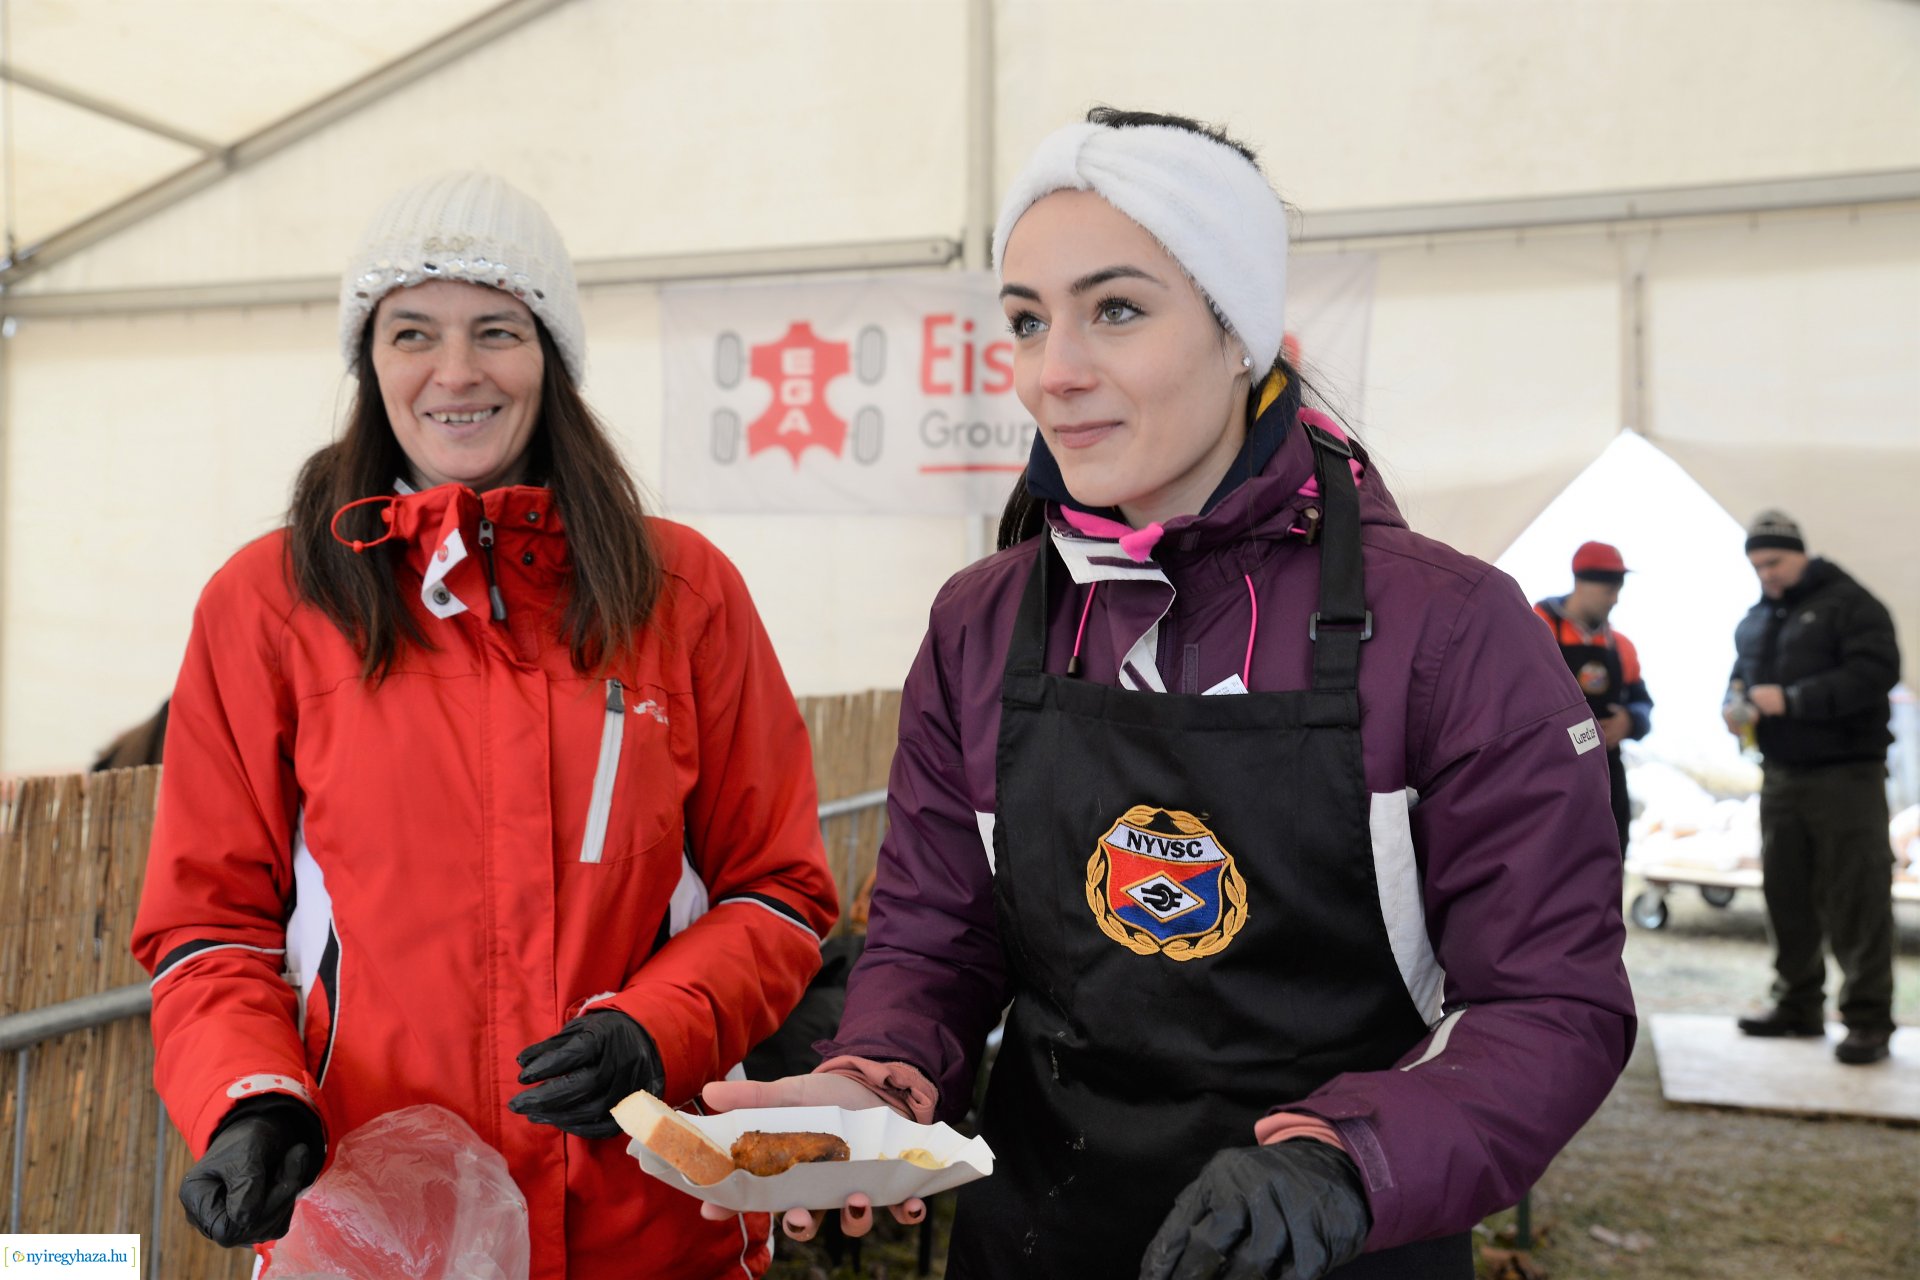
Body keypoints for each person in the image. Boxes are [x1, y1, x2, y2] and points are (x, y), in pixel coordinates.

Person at [705, 110, 1635, 1280]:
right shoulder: (982, 624)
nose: (1056, 371)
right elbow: (935, 941)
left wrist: (1349, 1159)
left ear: (1241, 332)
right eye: (1028, 320)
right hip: (1045, 1233)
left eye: (1118, 309)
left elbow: (1550, 1001)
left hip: (1336, 1244)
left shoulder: (1448, 633)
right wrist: (870, 1076)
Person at [131, 173, 838, 1279]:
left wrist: (659, 1026)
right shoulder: (270, 603)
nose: (454, 373)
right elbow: (205, 925)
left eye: (497, 331)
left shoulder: (682, 592)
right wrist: (252, 1096)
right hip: (379, 1231)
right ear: (371, 361)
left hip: (652, 1230)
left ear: (550, 356)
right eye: (412, 332)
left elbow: (781, 891)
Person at [1727, 509, 1900, 1066]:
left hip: (1846, 774)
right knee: (1787, 893)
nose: (1766, 574)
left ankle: (1868, 1019)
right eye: (1757, 566)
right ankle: (1797, 1005)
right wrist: (1733, 704)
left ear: (1800, 551)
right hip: (1780, 774)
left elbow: (1879, 672)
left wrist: (1796, 699)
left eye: (1774, 561)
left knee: (1857, 896)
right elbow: (1740, 675)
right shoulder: (1755, 619)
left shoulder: (1852, 604)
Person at [1534, 541, 1653, 852]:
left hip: (1607, 777)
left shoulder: (1620, 645)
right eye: (1609, 590)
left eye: (1618, 590)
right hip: (1550, 775)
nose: (1615, 599)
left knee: (1609, 865)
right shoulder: (1536, 628)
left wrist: (1630, 721)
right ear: (1582, 582)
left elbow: (1643, 702)